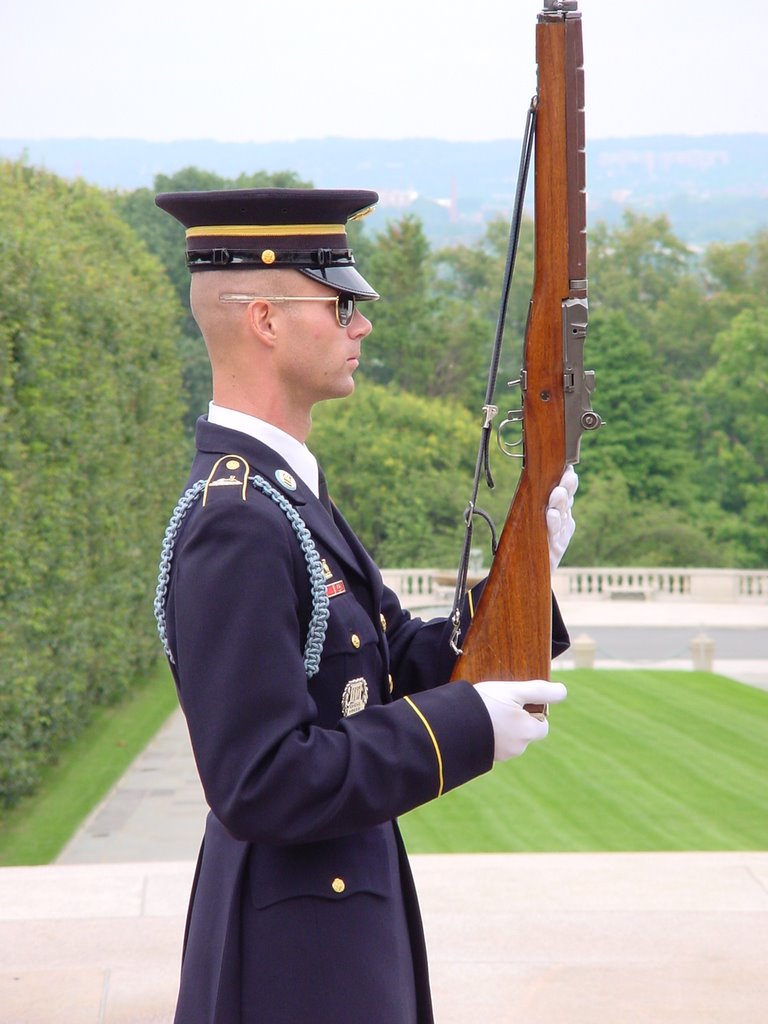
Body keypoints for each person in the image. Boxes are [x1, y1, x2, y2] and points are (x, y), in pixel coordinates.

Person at [154, 187, 575, 1024]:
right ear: (267, 321)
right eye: (342, 303)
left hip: (326, 929)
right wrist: (465, 728)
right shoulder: (237, 523)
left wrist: (524, 582)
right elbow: (260, 781)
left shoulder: (284, 495)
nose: (363, 325)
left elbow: (393, 661)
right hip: (293, 968)